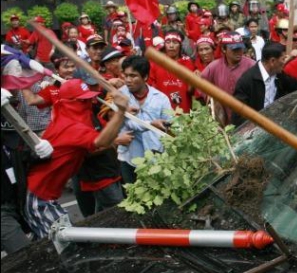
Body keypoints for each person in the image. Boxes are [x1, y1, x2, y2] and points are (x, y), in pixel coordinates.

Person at [23, 80, 129, 239]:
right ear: (69, 102)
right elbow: (102, 141)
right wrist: (120, 111)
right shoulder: (70, 125)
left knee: (53, 245)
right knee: (65, 247)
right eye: (83, 100)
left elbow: (58, 96)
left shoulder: (61, 108)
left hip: (43, 193)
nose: (89, 103)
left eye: (89, 98)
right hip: (40, 197)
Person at [117, 56, 172, 184]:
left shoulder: (161, 98)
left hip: (156, 159)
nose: (128, 80)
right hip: (129, 159)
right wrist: (151, 124)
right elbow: (129, 123)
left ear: (145, 77)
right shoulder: (119, 96)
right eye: (126, 76)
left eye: (133, 76)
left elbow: (170, 124)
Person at [234, 43, 297, 118]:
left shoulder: (280, 76)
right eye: (283, 59)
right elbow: (239, 114)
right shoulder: (247, 81)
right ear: (272, 61)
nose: (284, 62)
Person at [200, 32, 256, 126]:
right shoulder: (214, 67)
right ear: (223, 49)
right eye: (234, 49)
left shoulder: (252, 66)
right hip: (223, 122)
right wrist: (212, 100)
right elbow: (200, 84)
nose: (239, 52)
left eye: (240, 48)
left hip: (247, 119)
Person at [148, 30, 195, 113]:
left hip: (184, 111)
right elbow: (150, 88)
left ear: (180, 45)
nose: (171, 46)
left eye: (175, 42)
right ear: (164, 45)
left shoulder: (188, 62)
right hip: (161, 110)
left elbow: (191, 90)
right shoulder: (155, 63)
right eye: (168, 42)